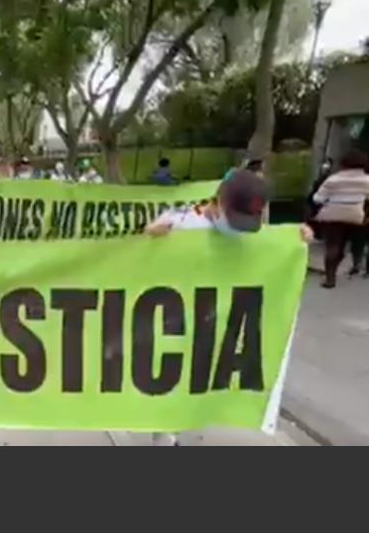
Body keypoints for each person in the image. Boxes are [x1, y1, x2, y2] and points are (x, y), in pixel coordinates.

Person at [146, 169, 313, 446]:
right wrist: (151, 237)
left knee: (199, 379)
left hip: (216, 324)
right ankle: (165, 437)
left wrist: (296, 239)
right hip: (175, 320)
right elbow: (135, 262)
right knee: (171, 381)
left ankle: (183, 426)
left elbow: (270, 250)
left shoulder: (250, 232)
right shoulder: (180, 223)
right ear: (219, 201)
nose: (240, 228)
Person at [311, 150, 369, 288]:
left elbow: (317, 198)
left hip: (332, 216)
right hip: (355, 216)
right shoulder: (367, 180)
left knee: (333, 246)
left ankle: (330, 278)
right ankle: (341, 268)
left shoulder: (333, 179)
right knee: (344, 248)